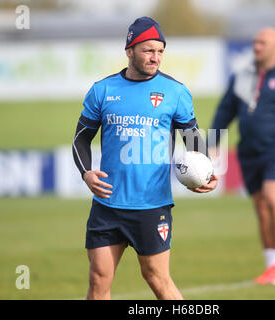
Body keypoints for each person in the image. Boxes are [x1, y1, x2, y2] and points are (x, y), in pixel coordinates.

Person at [72, 17, 218, 300]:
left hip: (151, 205)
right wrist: (86, 173)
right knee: (98, 279)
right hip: (107, 204)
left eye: (160, 51)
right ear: (129, 50)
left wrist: (206, 172)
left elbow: (193, 141)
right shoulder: (103, 90)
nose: (156, 57)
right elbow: (81, 138)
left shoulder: (175, 92)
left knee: (157, 278)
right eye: (148, 50)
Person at [209, 28, 275, 285]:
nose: (257, 47)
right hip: (248, 151)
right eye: (255, 42)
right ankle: (271, 268)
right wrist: (212, 143)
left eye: (262, 43)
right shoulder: (241, 77)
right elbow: (225, 111)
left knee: (273, 198)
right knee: (260, 208)